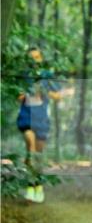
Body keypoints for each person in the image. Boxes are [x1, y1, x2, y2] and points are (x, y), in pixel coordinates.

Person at [16, 47, 61, 203]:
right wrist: (25, 93)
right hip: (26, 117)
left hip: (41, 118)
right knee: (31, 146)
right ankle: (29, 185)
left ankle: (38, 185)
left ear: (41, 59)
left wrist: (44, 91)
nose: (34, 61)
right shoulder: (23, 76)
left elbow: (57, 96)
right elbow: (18, 96)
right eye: (30, 58)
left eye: (36, 57)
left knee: (38, 155)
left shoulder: (47, 76)